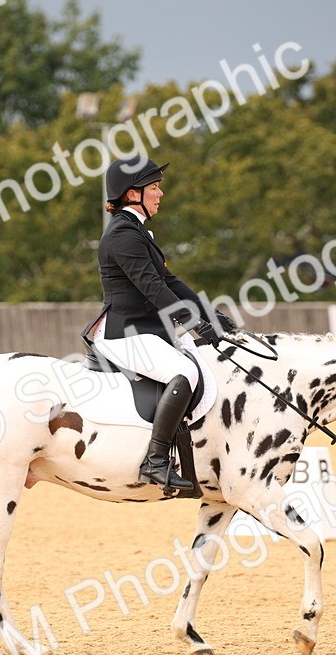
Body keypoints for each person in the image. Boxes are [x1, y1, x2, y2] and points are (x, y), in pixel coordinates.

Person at [84, 155, 236, 493]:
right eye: (154, 187)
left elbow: (172, 282)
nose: (160, 194)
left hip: (146, 329)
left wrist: (210, 313)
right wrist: (193, 322)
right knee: (184, 374)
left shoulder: (138, 232)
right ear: (132, 193)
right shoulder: (123, 235)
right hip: (125, 332)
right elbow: (151, 288)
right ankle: (155, 460)